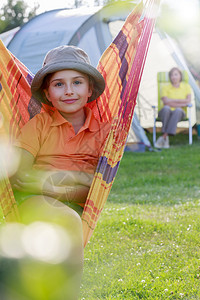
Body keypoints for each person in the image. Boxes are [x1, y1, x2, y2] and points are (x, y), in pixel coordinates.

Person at [10, 45, 110, 299]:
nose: (68, 91)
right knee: (66, 222)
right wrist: (63, 185)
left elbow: (97, 186)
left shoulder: (104, 132)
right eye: (59, 84)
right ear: (47, 93)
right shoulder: (40, 124)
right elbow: (20, 177)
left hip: (73, 203)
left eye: (77, 82)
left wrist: (57, 184)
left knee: (64, 230)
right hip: (34, 200)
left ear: (90, 89)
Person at [155, 67, 192, 149]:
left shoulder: (186, 87)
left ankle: (164, 136)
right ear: (170, 77)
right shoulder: (165, 87)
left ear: (180, 76)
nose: (174, 77)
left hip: (180, 113)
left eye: (176, 74)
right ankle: (165, 138)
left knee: (178, 110)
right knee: (166, 109)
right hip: (165, 111)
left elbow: (188, 101)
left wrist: (171, 101)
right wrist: (181, 102)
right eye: (172, 75)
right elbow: (165, 102)